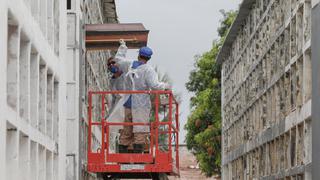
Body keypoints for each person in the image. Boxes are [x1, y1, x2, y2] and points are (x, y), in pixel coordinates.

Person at [118, 45, 171, 153]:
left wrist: (122, 48)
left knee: (126, 131)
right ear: (149, 58)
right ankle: (137, 159)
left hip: (127, 103)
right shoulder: (148, 70)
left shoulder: (129, 64)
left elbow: (118, 61)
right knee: (140, 131)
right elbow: (154, 85)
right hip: (140, 105)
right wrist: (165, 86)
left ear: (138, 55)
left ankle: (122, 159)